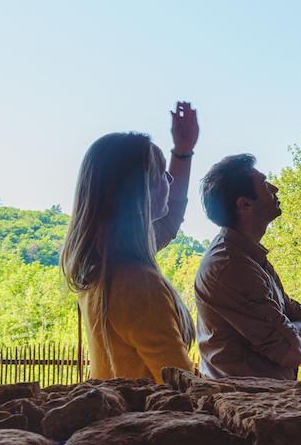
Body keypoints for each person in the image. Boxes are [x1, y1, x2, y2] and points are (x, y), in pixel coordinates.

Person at [60, 102, 200, 384]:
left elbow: (170, 219)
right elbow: (182, 384)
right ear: (138, 192)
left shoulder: (100, 264)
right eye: (161, 173)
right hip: (146, 419)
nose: (170, 179)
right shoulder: (137, 282)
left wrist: (183, 152)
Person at [194, 154, 301, 380]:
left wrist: (290, 331)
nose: (275, 188)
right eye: (264, 183)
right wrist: (292, 332)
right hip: (242, 401)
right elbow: (291, 353)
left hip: (260, 398)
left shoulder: (250, 257)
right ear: (245, 203)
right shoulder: (231, 266)